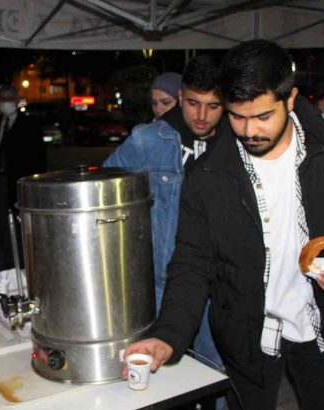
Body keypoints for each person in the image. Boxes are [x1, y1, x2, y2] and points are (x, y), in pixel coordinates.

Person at [124, 40, 324, 410]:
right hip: (247, 335)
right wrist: (169, 336)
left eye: (262, 116)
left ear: (290, 100)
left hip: (322, 326)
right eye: (236, 115)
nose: (248, 131)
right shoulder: (207, 174)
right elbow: (192, 263)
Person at [104, 55, 226, 377]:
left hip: (222, 288)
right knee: (165, 374)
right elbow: (103, 194)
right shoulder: (148, 140)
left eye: (213, 106)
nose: (201, 116)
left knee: (218, 376)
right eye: (193, 103)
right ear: (181, 97)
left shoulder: (238, 141)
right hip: (164, 285)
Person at [0, 84, 46, 270]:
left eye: (9, 99)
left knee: (21, 226)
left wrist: (35, 185)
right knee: (1, 224)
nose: (5, 103)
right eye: (2, 99)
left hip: (20, 183)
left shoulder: (30, 125)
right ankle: (8, 262)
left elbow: (39, 159)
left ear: (17, 101)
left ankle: (26, 264)